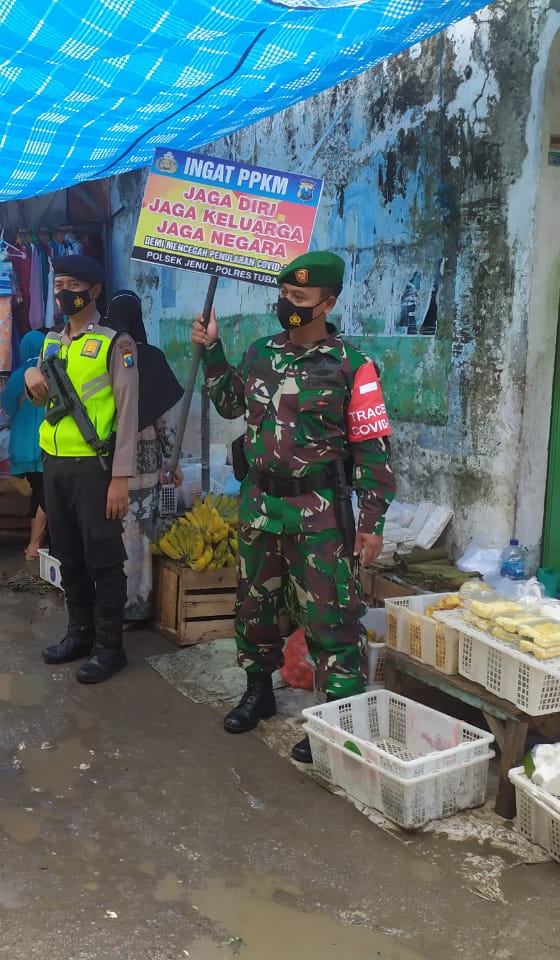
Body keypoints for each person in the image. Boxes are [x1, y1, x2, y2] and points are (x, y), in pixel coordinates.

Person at [192, 250, 396, 761]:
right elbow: (230, 402)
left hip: (320, 514)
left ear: (328, 303)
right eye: (284, 295)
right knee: (254, 608)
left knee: (332, 619)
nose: (288, 304)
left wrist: (372, 521)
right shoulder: (260, 353)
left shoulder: (353, 366)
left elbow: (372, 448)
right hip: (261, 506)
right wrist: (213, 350)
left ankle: (335, 723)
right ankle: (258, 691)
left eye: (300, 297)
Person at [24, 255, 139, 684]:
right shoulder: (52, 342)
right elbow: (44, 399)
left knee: (103, 559)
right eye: (59, 285)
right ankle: (79, 633)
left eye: (73, 285)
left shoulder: (116, 343)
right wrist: (32, 377)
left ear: (94, 290)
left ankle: (110, 647)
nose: (63, 292)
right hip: (55, 463)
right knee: (68, 554)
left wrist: (120, 477)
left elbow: (128, 412)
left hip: (96, 467)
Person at [105, 290, 185, 622]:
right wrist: (173, 460)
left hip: (108, 456)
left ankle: (109, 603)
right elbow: (166, 421)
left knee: (112, 529)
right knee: (139, 529)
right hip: (145, 457)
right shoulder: (152, 357)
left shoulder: (105, 353)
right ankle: (138, 604)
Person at [2, 330, 50, 560]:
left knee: (39, 491)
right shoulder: (48, 372)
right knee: (46, 493)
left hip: (22, 442)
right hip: (44, 442)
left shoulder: (18, 375)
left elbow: (7, 407)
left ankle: (34, 545)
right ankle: (34, 546)